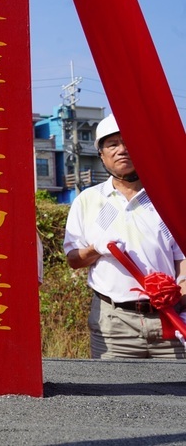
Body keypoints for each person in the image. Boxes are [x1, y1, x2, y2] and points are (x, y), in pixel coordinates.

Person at [63, 113, 186, 359]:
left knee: (177, 395)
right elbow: (73, 260)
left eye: (129, 143)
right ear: (102, 154)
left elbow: (182, 256)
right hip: (114, 325)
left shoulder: (169, 198)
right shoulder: (88, 201)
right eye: (113, 144)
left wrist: (181, 290)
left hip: (169, 319)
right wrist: (94, 249)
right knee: (114, 393)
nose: (122, 150)